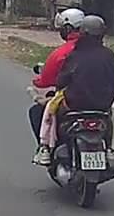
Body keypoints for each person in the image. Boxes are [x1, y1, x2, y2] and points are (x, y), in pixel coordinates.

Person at [29, 8, 85, 165]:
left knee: (37, 111)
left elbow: (45, 80)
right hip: (100, 103)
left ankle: (45, 148)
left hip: (71, 101)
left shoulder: (62, 53)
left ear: (67, 28)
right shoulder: (103, 53)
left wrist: (37, 83)